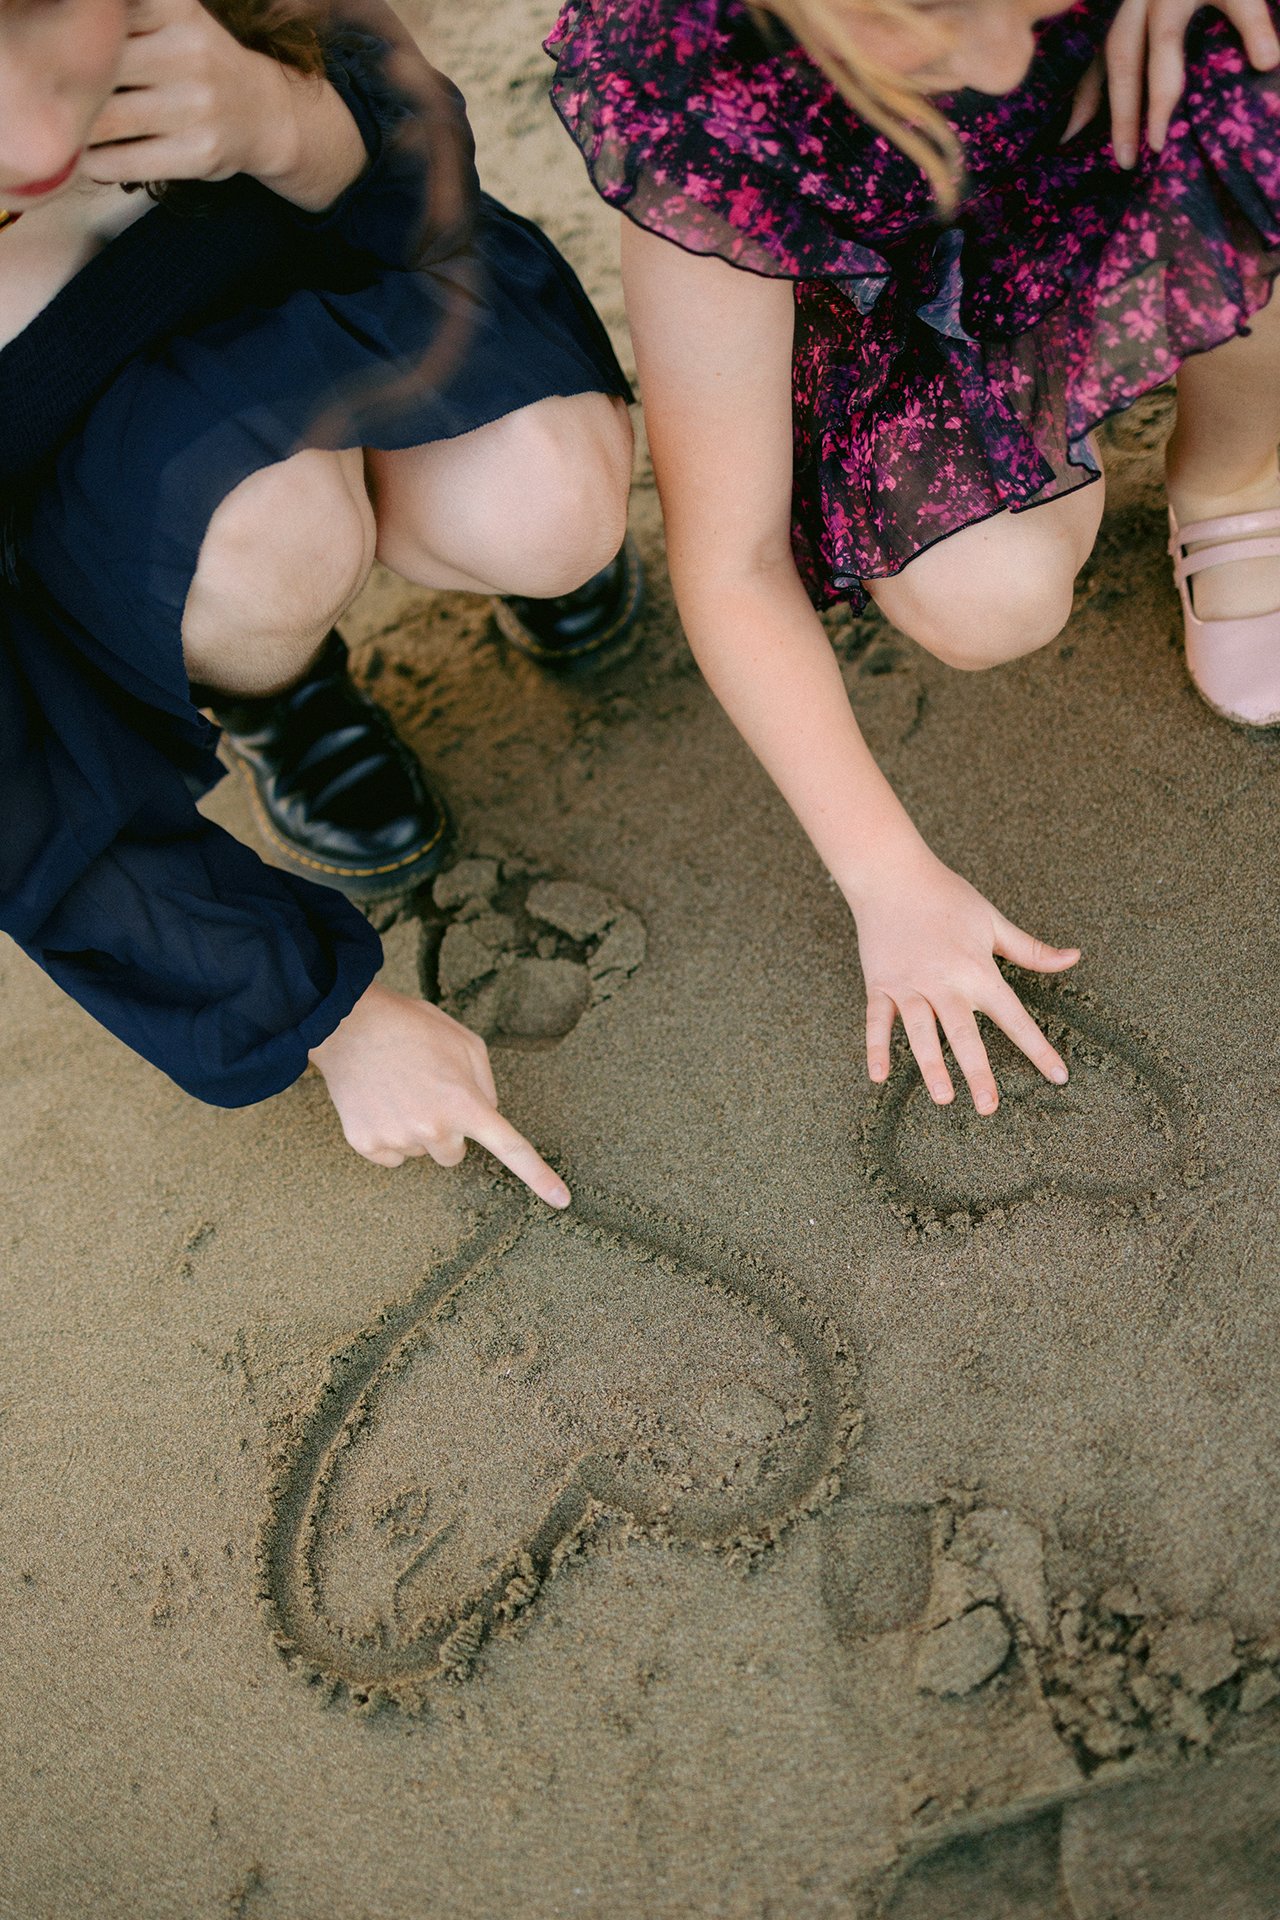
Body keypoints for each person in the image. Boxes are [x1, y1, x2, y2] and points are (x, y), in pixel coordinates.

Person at [547, 0, 1280, 1116]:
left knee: (1251, 69)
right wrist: (885, 879)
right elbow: (729, 557)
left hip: (1130, 107)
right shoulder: (701, 82)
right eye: (929, 14)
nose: (997, 52)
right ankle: (1050, 420)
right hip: (918, 291)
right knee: (986, 597)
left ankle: (1232, 471)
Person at [0, 0, 642, 1202]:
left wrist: (285, 121)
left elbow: (435, 188)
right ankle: (276, 689)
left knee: (551, 510)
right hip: (130, 532)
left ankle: (489, 551)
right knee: (269, 535)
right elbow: (12, 791)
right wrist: (323, 1016)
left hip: (349, 323)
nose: (32, 134)